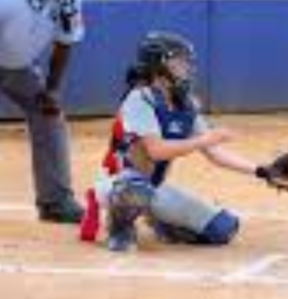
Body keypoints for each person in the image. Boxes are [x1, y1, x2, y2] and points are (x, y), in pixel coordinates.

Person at [93, 31, 274, 252]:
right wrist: (204, 139)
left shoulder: (184, 103)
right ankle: (119, 227)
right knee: (136, 187)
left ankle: (165, 223)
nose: (186, 65)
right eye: (178, 60)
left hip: (156, 187)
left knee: (222, 228)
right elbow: (157, 151)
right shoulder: (139, 98)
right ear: (158, 66)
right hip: (117, 183)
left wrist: (261, 171)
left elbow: (215, 153)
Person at [0, 0, 86, 223]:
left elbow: (65, 42)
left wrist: (52, 90)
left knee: (49, 114)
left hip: (18, 65)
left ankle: (55, 201)